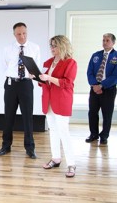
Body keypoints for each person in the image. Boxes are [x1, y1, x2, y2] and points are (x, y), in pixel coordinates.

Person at [0, 22, 40, 159]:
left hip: (26, 85)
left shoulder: (35, 48)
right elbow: (4, 67)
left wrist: (31, 76)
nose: (22, 36)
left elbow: (36, 67)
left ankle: (30, 148)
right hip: (11, 84)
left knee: (28, 117)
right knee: (8, 116)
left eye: (24, 33)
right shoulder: (7, 49)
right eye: (19, 34)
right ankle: (6, 146)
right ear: (14, 34)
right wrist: (13, 76)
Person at [38, 35, 77, 178]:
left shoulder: (70, 63)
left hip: (62, 101)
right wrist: (36, 77)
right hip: (48, 101)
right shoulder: (48, 62)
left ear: (63, 45)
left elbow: (67, 83)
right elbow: (43, 83)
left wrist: (48, 78)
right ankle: (56, 158)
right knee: (53, 131)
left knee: (63, 132)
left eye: (55, 45)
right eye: (51, 46)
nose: (52, 48)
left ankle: (71, 164)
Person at [86, 33, 117, 145]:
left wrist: (102, 85)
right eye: (103, 40)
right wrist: (95, 85)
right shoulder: (96, 55)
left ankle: (104, 136)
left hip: (108, 89)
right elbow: (89, 72)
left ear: (113, 42)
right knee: (92, 112)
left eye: (107, 40)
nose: (104, 42)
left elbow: (115, 76)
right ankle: (93, 134)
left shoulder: (116, 56)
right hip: (94, 88)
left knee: (107, 114)